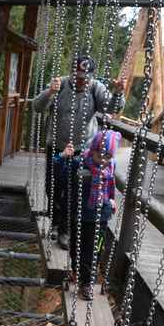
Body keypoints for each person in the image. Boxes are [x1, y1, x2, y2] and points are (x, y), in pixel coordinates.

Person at [32, 55, 125, 248]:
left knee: (73, 189)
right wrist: (49, 92)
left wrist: (117, 93)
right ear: (72, 73)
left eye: (85, 76)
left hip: (83, 151)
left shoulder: (95, 88)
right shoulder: (60, 85)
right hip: (57, 147)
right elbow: (37, 106)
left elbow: (112, 107)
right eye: (79, 76)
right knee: (54, 186)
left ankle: (65, 230)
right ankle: (56, 223)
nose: (82, 80)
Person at [58, 129, 121, 301]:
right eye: (100, 155)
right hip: (79, 214)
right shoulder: (79, 163)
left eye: (107, 156)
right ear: (92, 150)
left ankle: (87, 284)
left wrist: (110, 200)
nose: (103, 160)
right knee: (76, 247)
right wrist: (63, 158)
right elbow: (62, 179)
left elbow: (109, 187)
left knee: (93, 250)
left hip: (100, 215)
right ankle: (76, 271)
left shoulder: (111, 166)